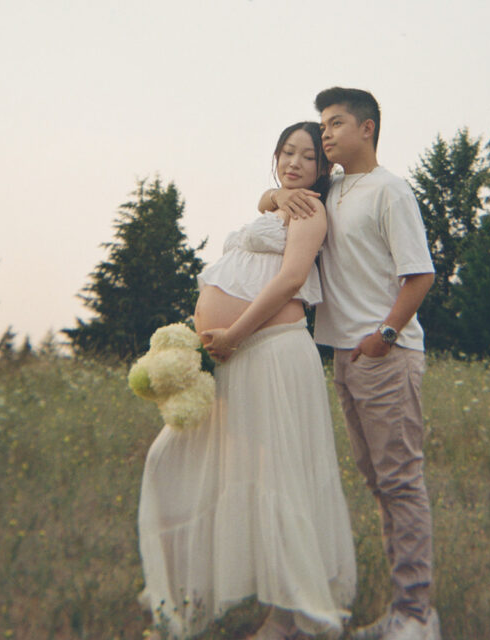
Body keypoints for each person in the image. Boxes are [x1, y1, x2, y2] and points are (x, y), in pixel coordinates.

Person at [137, 122, 356, 640]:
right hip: (236, 357)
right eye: (286, 153)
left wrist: (232, 332)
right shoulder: (276, 204)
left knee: (280, 477)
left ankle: (289, 616)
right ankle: (195, 591)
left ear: (324, 170)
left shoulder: (312, 211)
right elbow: (267, 208)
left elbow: (290, 278)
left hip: (272, 353)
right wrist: (274, 193)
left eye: (308, 157)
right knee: (178, 460)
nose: (294, 163)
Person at [260, 88, 440, 640]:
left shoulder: (390, 190)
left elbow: (421, 274)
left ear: (367, 128)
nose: (326, 134)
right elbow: (277, 197)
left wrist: (384, 336)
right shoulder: (333, 188)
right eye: (323, 125)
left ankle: (417, 616)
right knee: (379, 482)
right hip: (345, 356)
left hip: (384, 356)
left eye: (336, 123)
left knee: (401, 482)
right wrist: (273, 195)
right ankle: (401, 611)